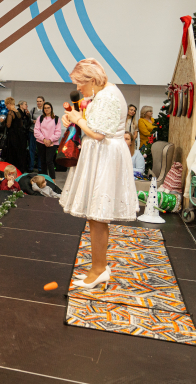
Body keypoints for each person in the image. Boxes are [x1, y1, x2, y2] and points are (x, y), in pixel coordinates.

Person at [61, 58, 138, 289]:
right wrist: (74, 118)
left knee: (98, 215)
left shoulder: (107, 97)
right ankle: (99, 267)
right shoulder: (104, 93)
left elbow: (98, 134)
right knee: (96, 216)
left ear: (93, 80)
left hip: (105, 156)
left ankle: (99, 269)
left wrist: (77, 119)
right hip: (103, 155)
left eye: (80, 83)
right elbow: (95, 124)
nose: (78, 88)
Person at [34, 102, 61, 180]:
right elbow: (36, 131)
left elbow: (58, 132)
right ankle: (44, 180)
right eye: (45, 108)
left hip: (52, 143)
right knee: (43, 161)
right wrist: (43, 139)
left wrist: (50, 140)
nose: (46, 109)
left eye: (48, 108)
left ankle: (53, 180)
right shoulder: (40, 118)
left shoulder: (56, 118)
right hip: (41, 142)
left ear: (51, 108)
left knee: (49, 161)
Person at [5, 97, 30, 173]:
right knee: (19, 153)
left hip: (12, 136)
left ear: (9, 104)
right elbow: (21, 124)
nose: (6, 107)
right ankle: (20, 170)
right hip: (20, 136)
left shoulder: (10, 112)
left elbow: (8, 125)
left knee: (12, 153)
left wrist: (3, 122)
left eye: (6, 105)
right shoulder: (18, 112)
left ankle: (11, 170)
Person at [30, 97, 45, 171]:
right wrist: (33, 121)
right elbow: (29, 119)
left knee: (40, 151)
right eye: (37, 101)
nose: (38, 103)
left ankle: (40, 168)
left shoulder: (45, 111)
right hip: (32, 131)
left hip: (42, 133)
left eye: (40, 101)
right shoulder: (33, 110)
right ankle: (31, 167)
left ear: (43, 102)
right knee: (31, 150)